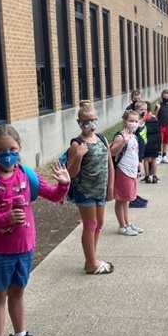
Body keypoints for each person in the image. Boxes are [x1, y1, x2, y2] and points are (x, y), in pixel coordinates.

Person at [0, 125, 72, 336]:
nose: (7, 154)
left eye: (12, 149)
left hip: (24, 246)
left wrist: (65, 185)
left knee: (18, 292)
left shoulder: (26, 174)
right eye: (1, 150)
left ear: (20, 148)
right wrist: (4, 219)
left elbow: (53, 195)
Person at [65, 101, 114, 274]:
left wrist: (110, 187)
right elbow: (70, 173)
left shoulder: (101, 138)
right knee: (90, 224)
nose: (89, 124)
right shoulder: (76, 144)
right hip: (85, 191)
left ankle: (91, 259)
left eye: (92, 119)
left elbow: (109, 164)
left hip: (100, 190)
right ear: (79, 122)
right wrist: (78, 156)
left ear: (97, 119)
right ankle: (92, 263)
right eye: (85, 121)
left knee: (99, 223)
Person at [110, 109, 144, 237]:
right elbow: (112, 152)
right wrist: (123, 142)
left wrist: (138, 163)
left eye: (136, 121)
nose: (134, 123)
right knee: (121, 200)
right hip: (122, 171)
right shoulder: (120, 137)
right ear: (125, 122)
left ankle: (128, 223)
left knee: (127, 200)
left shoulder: (134, 136)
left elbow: (133, 153)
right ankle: (122, 226)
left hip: (132, 171)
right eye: (131, 121)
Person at [141, 101, 162, 184]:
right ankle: (155, 176)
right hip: (154, 142)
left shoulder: (143, 120)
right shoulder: (154, 119)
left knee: (145, 159)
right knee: (153, 159)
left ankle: (147, 176)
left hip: (146, 141)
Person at [156, 89, 168, 164]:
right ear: (162, 97)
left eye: (167, 96)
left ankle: (164, 155)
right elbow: (155, 115)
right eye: (164, 96)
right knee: (160, 140)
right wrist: (158, 108)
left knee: (166, 141)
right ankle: (159, 155)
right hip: (160, 125)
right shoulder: (159, 105)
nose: (166, 98)